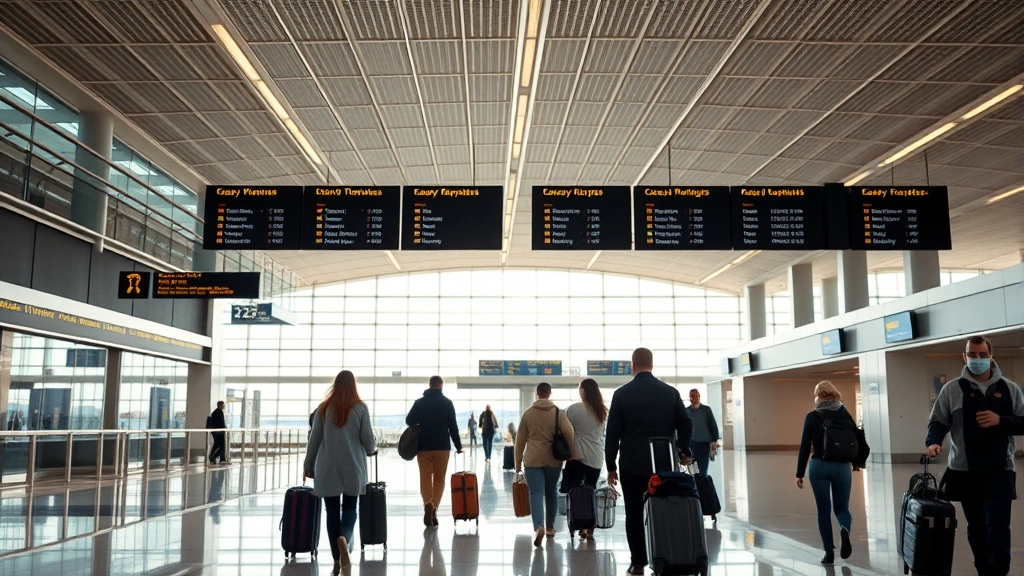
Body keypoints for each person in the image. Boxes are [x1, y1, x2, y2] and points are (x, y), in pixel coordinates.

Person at [926, 335, 1024, 576]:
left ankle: (998, 572)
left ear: (991, 356)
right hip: (965, 472)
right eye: (972, 355)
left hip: (1000, 470)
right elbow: (938, 421)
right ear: (964, 357)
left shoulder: (1010, 389)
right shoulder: (952, 389)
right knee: (977, 528)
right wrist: (934, 442)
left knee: (998, 526)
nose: (977, 359)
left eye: (982, 355)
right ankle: (984, 570)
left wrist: (1000, 420)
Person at [605, 347, 693, 576]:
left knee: (634, 513)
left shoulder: (622, 394)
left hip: (631, 464)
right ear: (652, 365)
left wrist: (611, 467)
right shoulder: (670, 392)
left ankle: (638, 563)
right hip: (663, 464)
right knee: (664, 510)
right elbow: (686, 423)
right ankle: (665, 557)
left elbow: (612, 433)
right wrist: (683, 448)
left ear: (633, 364)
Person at [304, 371, 377, 575]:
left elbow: (314, 440)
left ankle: (337, 559)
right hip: (353, 466)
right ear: (353, 385)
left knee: (332, 512)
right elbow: (368, 439)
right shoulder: (360, 408)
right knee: (351, 507)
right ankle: (344, 537)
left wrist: (308, 465)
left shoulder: (323, 408)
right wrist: (372, 448)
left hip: (327, 467)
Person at [795, 381, 861, 565]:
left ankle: (829, 552)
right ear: (835, 393)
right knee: (842, 508)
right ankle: (844, 528)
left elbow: (804, 447)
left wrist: (799, 473)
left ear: (818, 396)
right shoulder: (845, 413)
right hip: (842, 467)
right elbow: (855, 439)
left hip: (819, 466)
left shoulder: (812, 416)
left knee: (823, 510)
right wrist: (856, 462)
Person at [515, 382, 575, 547]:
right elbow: (570, 433)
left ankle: (538, 527)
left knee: (535, 493)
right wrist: (572, 453)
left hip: (532, 459)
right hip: (553, 459)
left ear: (537, 393)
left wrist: (517, 465)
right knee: (551, 492)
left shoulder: (528, 414)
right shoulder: (558, 412)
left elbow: (519, 441)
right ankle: (550, 528)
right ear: (549, 393)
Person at [406, 375, 462, 527]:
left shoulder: (419, 403)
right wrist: (458, 445)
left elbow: (408, 420)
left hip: (423, 446)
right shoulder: (447, 403)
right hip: (442, 447)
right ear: (441, 386)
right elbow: (453, 426)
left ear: (430, 385)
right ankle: (434, 507)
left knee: (425, 478)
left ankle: (426, 504)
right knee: (439, 479)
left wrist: (420, 423)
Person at [564, 378, 607, 539]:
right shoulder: (602, 410)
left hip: (577, 456)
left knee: (574, 492)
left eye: (579, 389)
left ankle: (576, 523)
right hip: (596, 456)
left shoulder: (574, 409)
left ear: (583, 391)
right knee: (591, 490)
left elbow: (563, 429)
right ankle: (589, 528)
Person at [686, 389, 721, 475]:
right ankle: (695, 482)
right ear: (690, 398)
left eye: (697, 395)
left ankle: (702, 482)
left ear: (699, 397)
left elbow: (712, 424)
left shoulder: (706, 410)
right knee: (692, 467)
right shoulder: (686, 411)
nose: (695, 398)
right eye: (693, 396)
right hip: (691, 443)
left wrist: (715, 441)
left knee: (703, 467)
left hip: (704, 443)